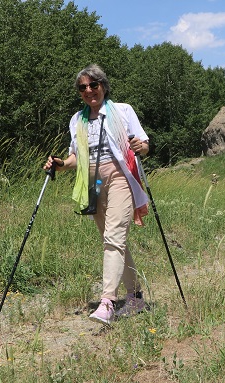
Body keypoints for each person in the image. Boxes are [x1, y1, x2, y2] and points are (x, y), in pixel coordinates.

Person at [43, 64, 150, 324]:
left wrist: (140, 146)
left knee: (113, 238)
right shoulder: (77, 120)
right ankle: (135, 296)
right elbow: (75, 158)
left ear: (103, 85)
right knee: (113, 240)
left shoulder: (123, 111)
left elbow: (144, 146)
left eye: (94, 85)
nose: (89, 90)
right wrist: (59, 163)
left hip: (119, 177)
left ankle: (107, 302)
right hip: (92, 182)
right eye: (83, 87)